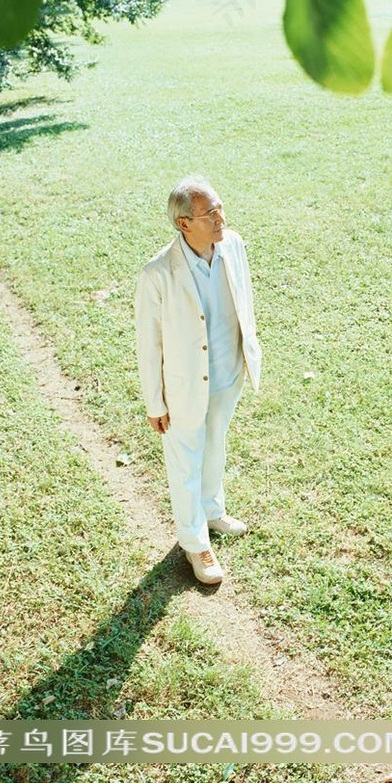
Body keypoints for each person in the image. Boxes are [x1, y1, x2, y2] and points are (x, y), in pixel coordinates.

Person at [135, 175, 261, 585]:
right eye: (210, 213)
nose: (221, 218)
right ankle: (195, 543)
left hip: (227, 374)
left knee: (215, 446)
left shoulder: (234, 245)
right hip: (184, 387)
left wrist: (247, 357)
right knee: (185, 461)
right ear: (184, 224)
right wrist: (155, 402)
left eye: (220, 207)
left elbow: (244, 301)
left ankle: (211, 509)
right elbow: (148, 344)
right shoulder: (157, 274)